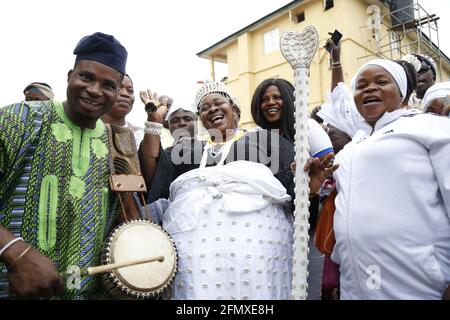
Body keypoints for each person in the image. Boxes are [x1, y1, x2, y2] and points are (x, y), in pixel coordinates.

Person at [139, 80, 335, 300]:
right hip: (194, 257)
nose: (211, 108)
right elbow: (153, 175)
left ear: (235, 109)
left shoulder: (266, 140)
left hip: (258, 254)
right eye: (204, 108)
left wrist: (307, 188)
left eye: (218, 102)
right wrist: (154, 122)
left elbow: (291, 190)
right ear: (201, 119)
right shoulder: (186, 149)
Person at [0, 32, 132, 299]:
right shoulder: (16, 120)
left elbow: (129, 221)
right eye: (86, 77)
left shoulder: (120, 145)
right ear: (70, 75)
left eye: (107, 84)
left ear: (118, 91)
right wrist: (13, 250)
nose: (94, 90)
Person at [331, 59, 450, 299]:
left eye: (382, 82)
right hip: (358, 283)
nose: (369, 89)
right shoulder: (352, 145)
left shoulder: (431, 128)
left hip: (418, 283)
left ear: (402, 91)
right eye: (361, 85)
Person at [250, 77, 334, 300]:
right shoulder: (255, 139)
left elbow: (329, 167)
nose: (270, 103)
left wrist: (310, 184)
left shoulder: (309, 129)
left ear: (289, 100)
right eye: (265, 99)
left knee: (308, 289)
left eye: (277, 97)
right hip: (270, 229)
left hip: (310, 224)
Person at [101, 74, 144, 148]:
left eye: (130, 91)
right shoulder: (84, 127)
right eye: (118, 88)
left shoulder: (140, 135)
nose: (126, 94)